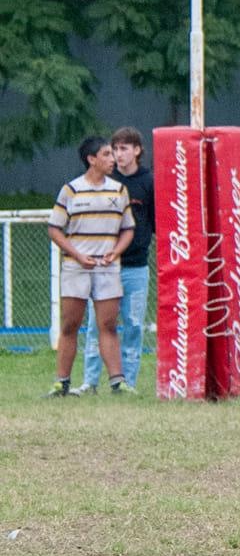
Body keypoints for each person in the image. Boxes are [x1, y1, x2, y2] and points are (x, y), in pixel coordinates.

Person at [46, 136, 135, 397]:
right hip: (76, 267)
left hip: (107, 268)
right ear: (92, 159)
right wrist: (76, 254)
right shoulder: (71, 190)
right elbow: (54, 229)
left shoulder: (119, 191)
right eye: (107, 154)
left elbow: (128, 229)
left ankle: (117, 383)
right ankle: (61, 382)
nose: (113, 159)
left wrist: (114, 252)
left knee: (108, 324)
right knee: (70, 324)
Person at [75, 126, 154, 394]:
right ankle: (90, 381)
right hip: (105, 267)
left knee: (133, 325)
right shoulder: (108, 181)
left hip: (136, 266)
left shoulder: (149, 181)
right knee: (97, 325)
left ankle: (126, 383)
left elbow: (154, 223)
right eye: (114, 149)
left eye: (123, 148)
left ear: (136, 150)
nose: (118, 155)